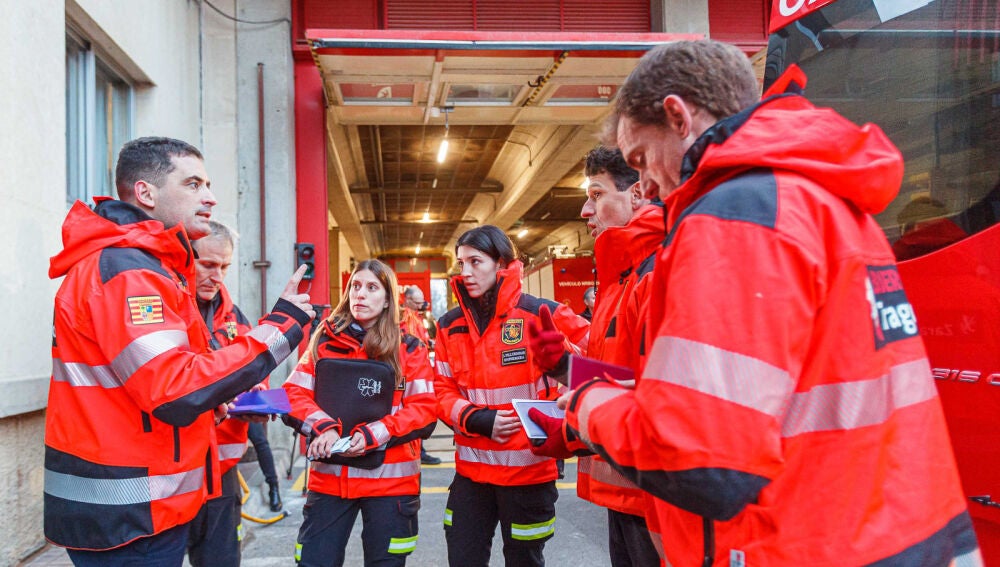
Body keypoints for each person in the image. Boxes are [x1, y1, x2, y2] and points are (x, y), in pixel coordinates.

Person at [562, 40, 981, 565]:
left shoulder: (735, 216)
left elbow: (699, 463)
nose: (645, 183)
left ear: (678, 116)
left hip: (802, 545)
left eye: (642, 159)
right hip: (897, 534)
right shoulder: (824, 201)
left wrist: (588, 401)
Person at [45, 136, 314, 566]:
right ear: (145, 193)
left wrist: (216, 404)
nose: (209, 198)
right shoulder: (130, 271)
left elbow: (154, 382)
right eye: (192, 184)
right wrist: (280, 327)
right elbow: (174, 389)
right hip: (131, 517)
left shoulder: (144, 266)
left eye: (208, 185)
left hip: (138, 508)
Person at [532, 145, 662, 567]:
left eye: (596, 194)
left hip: (656, 495)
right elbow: (620, 377)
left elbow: (658, 396)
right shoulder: (619, 281)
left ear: (637, 194)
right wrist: (565, 367)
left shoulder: (655, 275)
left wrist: (571, 431)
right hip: (624, 490)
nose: (585, 210)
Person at [433, 225, 590, 567]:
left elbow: (602, 361)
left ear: (501, 263)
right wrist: (475, 418)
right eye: (461, 263)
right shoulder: (448, 326)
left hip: (529, 473)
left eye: (475, 261)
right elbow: (441, 389)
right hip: (471, 476)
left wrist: (566, 365)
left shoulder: (543, 313)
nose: (466, 272)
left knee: (524, 561)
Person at [283, 259, 438, 567]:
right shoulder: (324, 341)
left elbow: (424, 409)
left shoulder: (409, 349)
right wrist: (323, 427)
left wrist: (375, 433)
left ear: (388, 299)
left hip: (391, 485)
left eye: (371, 288)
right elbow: (293, 393)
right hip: (330, 482)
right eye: (355, 286)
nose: (360, 294)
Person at [187, 220, 281, 566]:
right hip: (172, 473)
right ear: (185, 256)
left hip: (222, 473)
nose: (217, 276)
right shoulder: (166, 312)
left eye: (225, 267)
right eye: (208, 265)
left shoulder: (235, 318)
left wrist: (256, 391)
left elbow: (253, 369)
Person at [400, 285, 443, 466]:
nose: (421, 306)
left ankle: (419, 449)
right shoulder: (405, 317)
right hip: (411, 372)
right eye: (417, 303)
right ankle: (418, 450)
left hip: (420, 370)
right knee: (414, 409)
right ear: (408, 300)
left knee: (420, 409)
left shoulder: (416, 317)